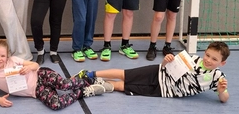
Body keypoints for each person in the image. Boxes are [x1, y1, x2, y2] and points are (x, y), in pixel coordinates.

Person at [74, 41, 230, 103]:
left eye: (214, 59)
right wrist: (166, 61)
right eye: (208, 55)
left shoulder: (218, 78)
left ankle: (94, 85)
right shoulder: (193, 59)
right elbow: (167, 66)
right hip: (157, 72)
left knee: (123, 87)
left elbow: (224, 99)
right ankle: (90, 74)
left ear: (222, 63)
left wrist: (222, 92)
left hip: (163, 90)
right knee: (124, 74)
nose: (208, 60)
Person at [0, 40, 109, 110]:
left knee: (63, 85)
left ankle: (90, 79)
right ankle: (85, 91)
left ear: (7, 56)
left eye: (2, 56)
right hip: (36, 91)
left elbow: (35, 65)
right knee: (56, 105)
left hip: (41, 75)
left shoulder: (14, 60)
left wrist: (28, 68)